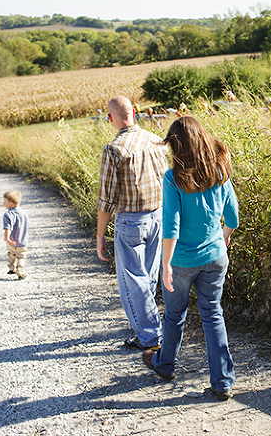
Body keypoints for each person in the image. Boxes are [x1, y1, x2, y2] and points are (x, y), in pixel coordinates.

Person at [142, 116, 239, 401]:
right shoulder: (220, 170)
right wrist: (224, 237)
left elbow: (171, 226)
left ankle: (165, 365)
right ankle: (223, 382)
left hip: (182, 261)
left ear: (177, 146)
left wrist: (165, 265)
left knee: (174, 314)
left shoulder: (173, 178)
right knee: (212, 314)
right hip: (215, 257)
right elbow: (233, 216)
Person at [96, 96, 168, 351]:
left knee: (133, 282)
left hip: (131, 221)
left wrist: (100, 235)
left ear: (110, 118)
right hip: (159, 215)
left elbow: (106, 199)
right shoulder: (156, 140)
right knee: (148, 277)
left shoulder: (114, 149)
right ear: (135, 112)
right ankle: (148, 331)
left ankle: (151, 337)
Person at [3, 190, 29, 280]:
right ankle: (20, 272)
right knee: (21, 256)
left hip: (12, 241)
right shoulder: (24, 213)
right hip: (22, 241)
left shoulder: (7, 214)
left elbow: (7, 228)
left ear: (11, 204)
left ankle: (12, 268)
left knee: (11, 254)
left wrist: (7, 239)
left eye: (5, 202)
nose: (3, 204)